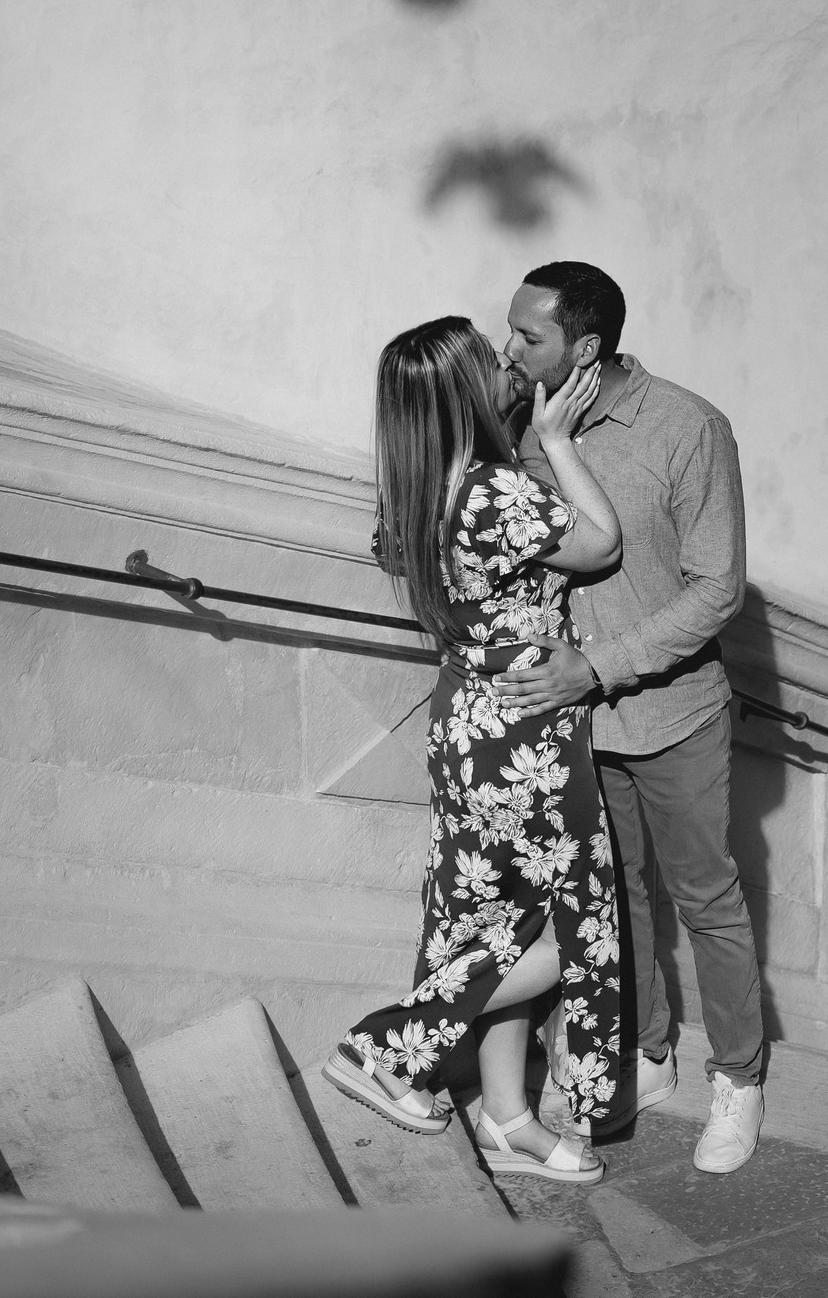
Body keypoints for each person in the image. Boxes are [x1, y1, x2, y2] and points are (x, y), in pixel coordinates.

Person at [321, 315, 624, 1183]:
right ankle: (386, 1044)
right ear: (462, 392)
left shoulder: (416, 490)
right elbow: (602, 544)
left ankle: (508, 1118)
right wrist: (559, 438)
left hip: (467, 722)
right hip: (525, 729)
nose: (509, 366)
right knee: (573, 930)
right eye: (492, 361)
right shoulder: (491, 490)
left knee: (499, 923)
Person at [495, 261, 765, 1175]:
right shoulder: (527, 425)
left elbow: (718, 588)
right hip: (577, 731)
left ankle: (740, 1079)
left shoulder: (687, 427)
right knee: (616, 901)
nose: (510, 349)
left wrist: (598, 668)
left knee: (707, 900)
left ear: (587, 348)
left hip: (676, 714)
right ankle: (650, 1050)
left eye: (529, 336)